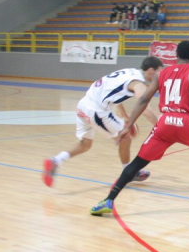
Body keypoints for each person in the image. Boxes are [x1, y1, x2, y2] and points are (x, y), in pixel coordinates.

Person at [89, 41, 189, 215]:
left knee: (137, 163)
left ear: (176, 55)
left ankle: (108, 200)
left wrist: (129, 125)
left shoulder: (160, 74)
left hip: (164, 124)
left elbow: (143, 100)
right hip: (185, 123)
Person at [42, 57, 164, 187]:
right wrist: (161, 127)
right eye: (159, 72)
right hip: (96, 111)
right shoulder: (139, 84)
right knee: (125, 137)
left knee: (85, 144)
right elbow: (144, 108)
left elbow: (113, 90)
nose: (160, 76)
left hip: (83, 105)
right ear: (151, 71)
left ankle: (56, 160)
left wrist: (124, 114)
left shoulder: (129, 72)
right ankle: (128, 172)